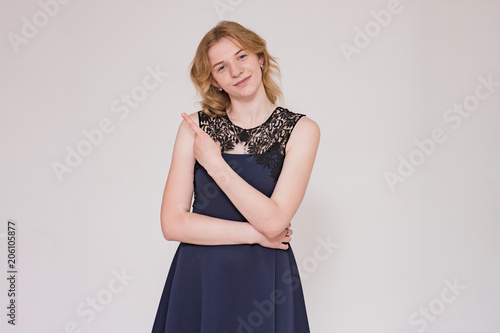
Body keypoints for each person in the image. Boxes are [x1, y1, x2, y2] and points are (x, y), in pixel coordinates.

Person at [152, 20, 320, 333]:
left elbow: (273, 221)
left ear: (260, 57)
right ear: (214, 81)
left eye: (241, 57)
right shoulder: (194, 129)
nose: (236, 71)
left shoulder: (301, 131)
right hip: (200, 277)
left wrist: (215, 164)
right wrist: (255, 235)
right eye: (221, 66)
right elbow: (172, 224)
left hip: (265, 279)